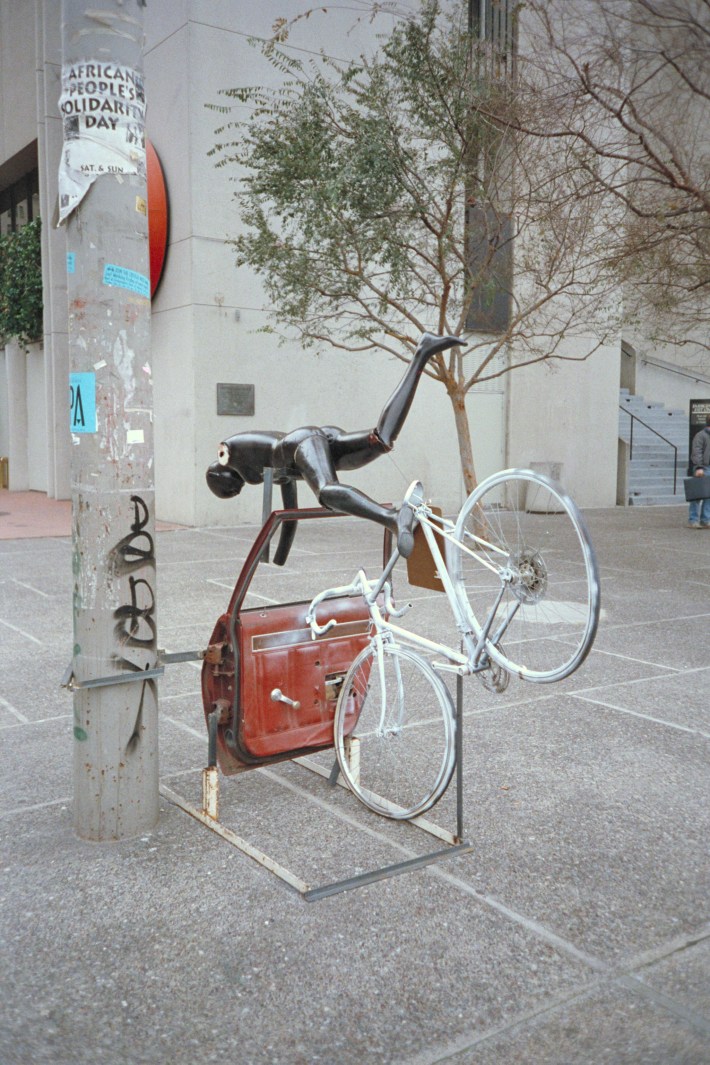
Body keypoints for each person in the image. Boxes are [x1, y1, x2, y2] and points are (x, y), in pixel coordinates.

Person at [206, 332, 464, 562]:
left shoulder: (232, 453)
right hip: (314, 444)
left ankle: (394, 518)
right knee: (381, 440)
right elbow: (290, 514)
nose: (234, 493)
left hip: (302, 444)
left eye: (227, 491)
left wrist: (226, 458)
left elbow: (230, 453)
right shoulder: (272, 467)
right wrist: (279, 558)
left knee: (328, 492)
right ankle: (422, 352)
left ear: (221, 476)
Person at [688, 414, 710, 528]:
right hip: (704, 468)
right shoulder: (700, 436)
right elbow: (696, 452)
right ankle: (693, 520)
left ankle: (706, 520)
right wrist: (698, 467)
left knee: (709, 496)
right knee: (697, 495)